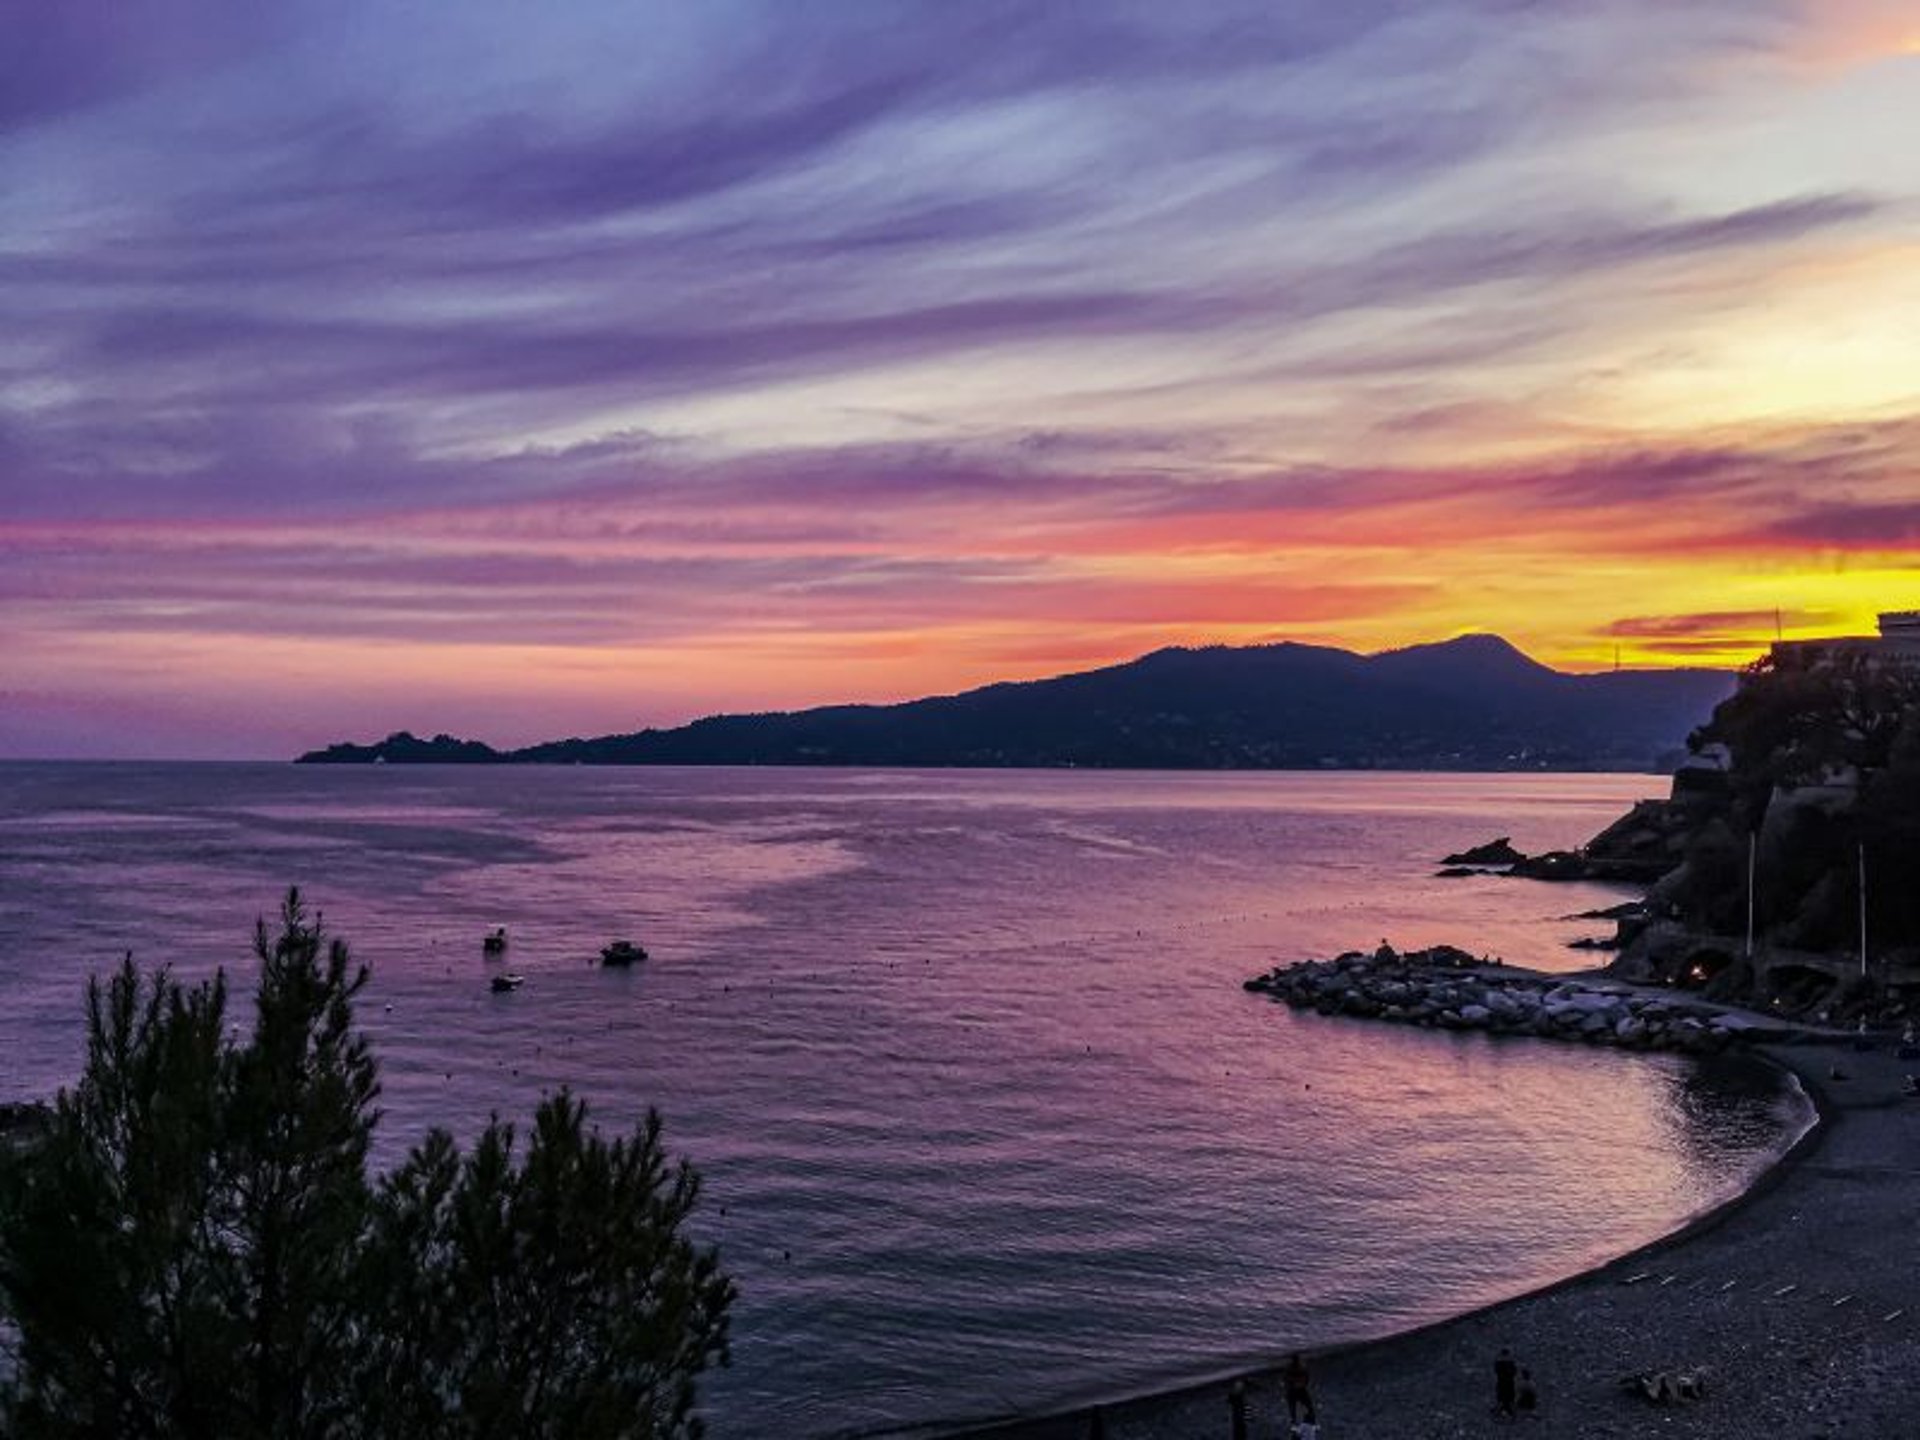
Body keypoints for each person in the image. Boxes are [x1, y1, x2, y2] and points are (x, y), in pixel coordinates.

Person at [1283, 1352, 1315, 1424]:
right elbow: (1307, 1378)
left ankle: (1294, 1420)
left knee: (1293, 1407)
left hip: (1294, 1389)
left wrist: (1290, 1384)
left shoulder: (1290, 1368)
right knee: (1307, 1405)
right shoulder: (1302, 1368)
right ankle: (1310, 1418)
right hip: (1299, 1389)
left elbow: (1286, 1379)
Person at [1493, 1348, 1518, 1417]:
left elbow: (1496, 1371)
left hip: (1501, 1381)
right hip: (1509, 1382)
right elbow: (1514, 1372)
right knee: (1508, 1396)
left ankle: (1501, 1409)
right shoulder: (1510, 1362)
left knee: (1502, 1395)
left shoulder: (1499, 1362)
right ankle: (1509, 1409)